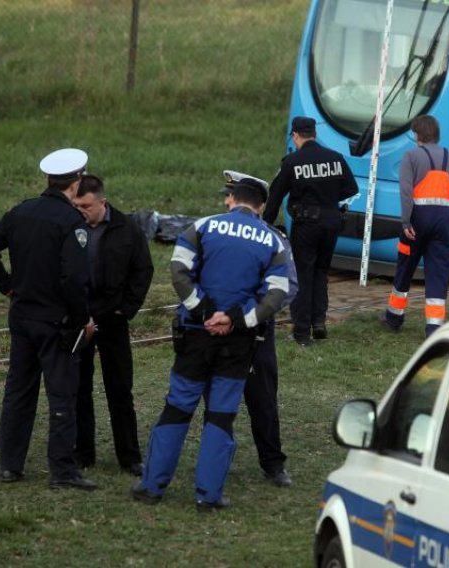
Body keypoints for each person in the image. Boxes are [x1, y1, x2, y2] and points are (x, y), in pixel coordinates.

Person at [131, 179, 289, 510]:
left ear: (232, 201)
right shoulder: (273, 240)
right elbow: (276, 294)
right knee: (220, 415)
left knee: (177, 407)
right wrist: (235, 318)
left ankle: (151, 487)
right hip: (238, 341)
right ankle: (208, 495)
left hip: (194, 334)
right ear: (260, 207)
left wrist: (202, 310)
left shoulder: (202, 226)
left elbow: (178, 271)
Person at [0, 148, 98, 491]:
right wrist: (80, 318)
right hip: (55, 322)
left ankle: (10, 465)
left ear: (48, 180)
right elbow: (74, 279)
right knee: (62, 394)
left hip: (23, 314)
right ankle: (62, 470)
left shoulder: (21, 212)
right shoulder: (71, 223)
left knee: (18, 390)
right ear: (75, 182)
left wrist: (7, 286)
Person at [71, 175, 154, 477]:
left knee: (120, 390)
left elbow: (143, 270)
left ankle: (129, 456)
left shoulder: (127, 229)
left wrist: (125, 310)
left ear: (102, 202)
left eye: (87, 206)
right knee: (78, 389)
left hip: (113, 321)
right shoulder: (70, 227)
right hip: (79, 321)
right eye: (77, 205)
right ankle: (82, 453)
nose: (81, 211)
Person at [219, 170, 297, 487]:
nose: (226, 201)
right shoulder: (221, 233)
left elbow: (289, 286)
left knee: (262, 400)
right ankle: (219, 459)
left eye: (231, 195)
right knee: (220, 399)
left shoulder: (273, 240)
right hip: (230, 329)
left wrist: (248, 313)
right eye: (227, 195)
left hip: (250, 333)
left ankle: (272, 463)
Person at [263, 116, 358, 346]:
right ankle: (319, 323)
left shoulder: (293, 162)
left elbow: (274, 197)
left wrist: (265, 224)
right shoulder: (335, 158)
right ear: (314, 134)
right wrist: (327, 197)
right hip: (331, 224)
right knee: (321, 272)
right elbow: (351, 188)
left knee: (303, 274)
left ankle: (302, 332)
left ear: (295, 135)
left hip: (306, 225)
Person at [381, 115, 449, 337]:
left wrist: (406, 220)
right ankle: (434, 327)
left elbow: (406, 193)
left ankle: (393, 318)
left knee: (406, 267)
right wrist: (443, 209)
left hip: (417, 219)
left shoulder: (411, 156)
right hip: (444, 220)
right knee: (438, 272)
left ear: (418, 134)